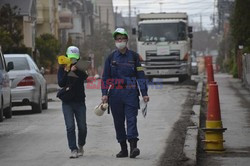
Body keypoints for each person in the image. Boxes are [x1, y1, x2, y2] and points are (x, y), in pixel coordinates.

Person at [101, 28, 150, 158]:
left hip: (131, 93)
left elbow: (140, 75)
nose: (120, 41)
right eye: (118, 39)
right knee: (118, 122)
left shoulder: (134, 57)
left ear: (127, 40)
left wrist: (144, 93)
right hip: (115, 94)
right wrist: (104, 93)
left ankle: (133, 147)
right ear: (115, 41)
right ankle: (123, 149)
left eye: (122, 38)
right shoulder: (111, 57)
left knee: (131, 120)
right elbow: (105, 77)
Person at [57, 46, 88, 159]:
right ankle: (73, 149)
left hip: (79, 101)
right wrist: (67, 71)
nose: (72, 60)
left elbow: (85, 76)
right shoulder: (62, 67)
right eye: (70, 58)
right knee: (70, 127)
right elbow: (61, 83)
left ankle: (81, 145)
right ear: (66, 57)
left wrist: (77, 69)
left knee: (82, 127)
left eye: (74, 58)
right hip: (67, 102)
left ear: (78, 57)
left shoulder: (80, 67)